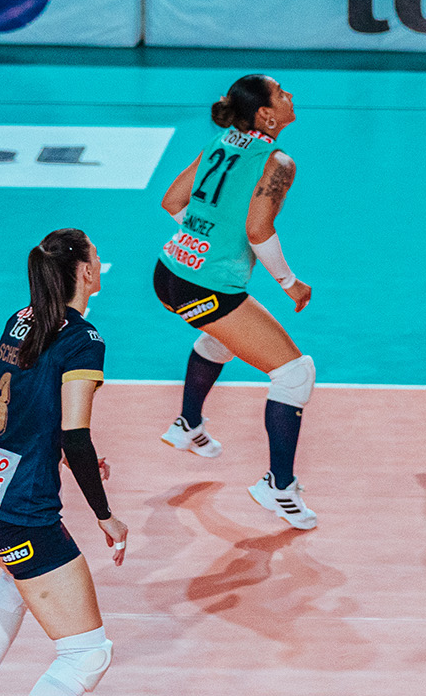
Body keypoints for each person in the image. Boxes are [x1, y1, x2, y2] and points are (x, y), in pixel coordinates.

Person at [0, 228, 125, 696]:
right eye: (96, 254)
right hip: (20, 512)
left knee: (17, 580)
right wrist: (106, 515)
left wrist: (68, 456)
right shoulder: (83, 340)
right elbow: (75, 433)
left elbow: (24, 409)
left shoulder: (20, 319)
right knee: (88, 655)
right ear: (85, 271)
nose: (99, 262)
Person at [154, 74, 319, 530]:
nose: (290, 96)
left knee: (223, 336)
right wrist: (289, 283)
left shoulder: (221, 141)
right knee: (294, 373)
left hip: (170, 272)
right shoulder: (278, 162)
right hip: (206, 287)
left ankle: (187, 425)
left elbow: (172, 201)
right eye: (281, 93)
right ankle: (278, 487)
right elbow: (258, 230)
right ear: (266, 114)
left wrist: (204, 240)